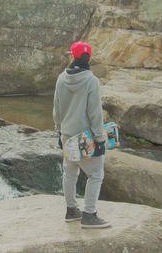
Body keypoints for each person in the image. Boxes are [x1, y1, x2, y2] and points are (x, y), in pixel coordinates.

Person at [53, 41, 110, 229]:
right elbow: (95, 113)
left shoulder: (61, 78)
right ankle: (89, 215)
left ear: (72, 56)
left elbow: (57, 110)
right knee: (95, 174)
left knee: (70, 173)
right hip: (85, 138)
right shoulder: (91, 81)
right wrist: (99, 139)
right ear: (89, 58)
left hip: (67, 134)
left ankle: (71, 210)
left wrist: (58, 131)